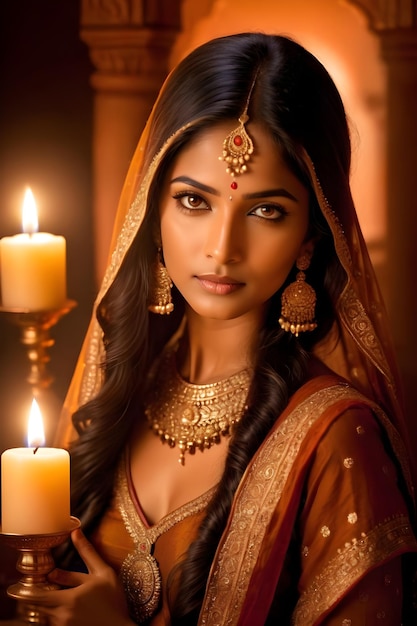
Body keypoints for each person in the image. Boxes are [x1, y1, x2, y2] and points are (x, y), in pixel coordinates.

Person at [29, 32, 417, 625]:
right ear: (152, 209)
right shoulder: (115, 389)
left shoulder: (338, 443)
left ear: (311, 235)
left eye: (266, 211)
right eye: (193, 201)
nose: (221, 248)